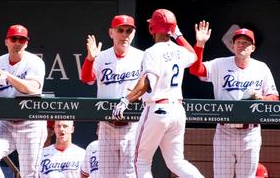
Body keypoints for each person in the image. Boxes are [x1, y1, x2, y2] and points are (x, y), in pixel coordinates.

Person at [112, 9, 204, 178]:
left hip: (157, 108)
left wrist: (126, 100)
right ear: (172, 28)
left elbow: (147, 82)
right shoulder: (180, 50)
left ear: (152, 28)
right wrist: (179, 35)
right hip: (177, 110)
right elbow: (194, 56)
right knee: (176, 161)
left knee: (141, 161)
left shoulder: (152, 51)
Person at [189, 23, 279, 177]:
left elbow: (274, 98)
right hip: (225, 132)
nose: (241, 45)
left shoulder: (261, 68)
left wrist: (261, 98)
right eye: (238, 42)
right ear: (233, 46)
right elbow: (195, 70)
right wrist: (200, 44)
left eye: (245, 43)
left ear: (253, 48)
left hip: (250, 133)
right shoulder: (220, 64)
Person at [0, 24, 48, 177]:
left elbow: (32, 88)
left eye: (21, 39)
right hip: (6, 124)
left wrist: (8, 76)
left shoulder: (35, 62)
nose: (17, 42)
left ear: (26, 43)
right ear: (6, 41)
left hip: (31, 123)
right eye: (14, 39)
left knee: (30, 174)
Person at [80, 14, 144, 177]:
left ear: (133, 34)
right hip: (107, 126)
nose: (124, 34)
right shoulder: (101, 57)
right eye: (120, 30)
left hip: (132, 126)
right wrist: (90, 59)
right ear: (111, 33)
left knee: (129, 175)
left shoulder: (142, 57)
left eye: (129, 31)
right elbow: (87, 79)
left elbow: (149, 84)